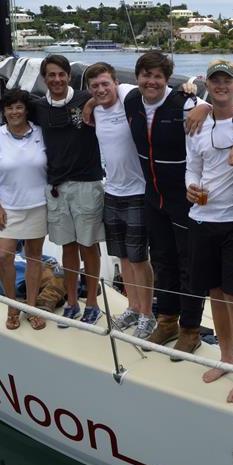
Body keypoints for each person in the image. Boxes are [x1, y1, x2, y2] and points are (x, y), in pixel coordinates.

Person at [0, 55, 104, 327]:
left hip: (85, 184)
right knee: (67, 248)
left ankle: (91, 303)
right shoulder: (37, 108)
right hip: (55, 188)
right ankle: (70, 302)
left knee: (88, 246)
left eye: (61, 74)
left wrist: (194, 100)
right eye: (51, 75)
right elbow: (13, 117)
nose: (57, 80)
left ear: (69, 76)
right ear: (44, 79)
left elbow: (116, 96)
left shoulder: (85, 99)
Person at [185, 59, 233, 402]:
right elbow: (193, 165)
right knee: (215, 293)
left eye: (226, 81)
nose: (221, 86)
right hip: (203, 218)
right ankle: (226, 358)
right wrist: (190, 185)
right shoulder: (197, 122)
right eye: (215, 81)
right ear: (208, 86)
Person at [124, 51, 205, 355]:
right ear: (138, 78)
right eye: (146, 75)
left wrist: (205, 104)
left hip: (183, 199)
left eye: (158, 76)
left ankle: (191, 329)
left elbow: (220, 116)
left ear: (167, 80)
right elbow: (100, 89)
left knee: (189, 266)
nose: (151, 82)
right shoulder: (131, 100)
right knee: (162, 262)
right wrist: (91, 103)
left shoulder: (185, 105)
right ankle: (167, 321)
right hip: (153, 198)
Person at [83, 62, 156, 339]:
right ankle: (133, 307)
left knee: (139, 258)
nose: (101, 90)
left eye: (105, 84)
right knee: (122, 256)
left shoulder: (128, 97)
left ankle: (148, 315)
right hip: (112, 191)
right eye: (94, 86)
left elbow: (136, 87)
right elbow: (94, 99)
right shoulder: (97, 111)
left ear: (115, 83)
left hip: (138, 191)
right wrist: (92, 102)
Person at [0, 89, 47, 331]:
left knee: (34, 258)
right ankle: (11, 305)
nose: (14, 112)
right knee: (4, 256)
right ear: (4, 112)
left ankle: (31, 307)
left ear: (26, 109)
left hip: (38, 206)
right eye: (9, 108)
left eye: (19, 107)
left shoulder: (41, 133)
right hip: (8, 209)